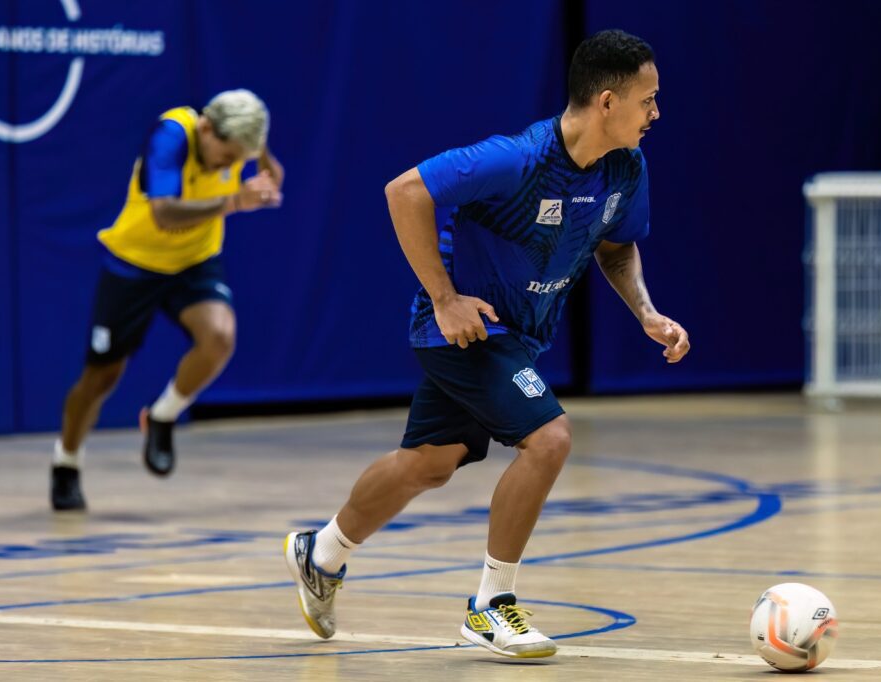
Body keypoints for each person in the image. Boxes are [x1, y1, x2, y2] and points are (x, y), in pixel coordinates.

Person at [284, 30, 688, 658]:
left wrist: (646, 312)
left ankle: (322, 551)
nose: (657, 113)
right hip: (465, 330)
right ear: (607, 101)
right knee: (549, 438)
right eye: (649, 100)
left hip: (519, 337)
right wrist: (444, 298)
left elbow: (616, 246)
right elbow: (405, 192)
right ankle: (490, 605)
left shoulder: (625, 167)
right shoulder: (518, 160)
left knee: (430, 462)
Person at [50, 89, 284, 511]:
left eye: (239, 159)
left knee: (220, 335)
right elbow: (165, 213)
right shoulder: (171, 135)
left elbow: (271, 178)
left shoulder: (236, 142)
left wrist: (262, 155)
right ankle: (66, 463)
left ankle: (162, 416)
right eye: (227, 156)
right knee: (100, 377)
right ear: (207, 128)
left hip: (195, 261)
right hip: (135, 263)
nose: (231, 166)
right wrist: (235, 200)